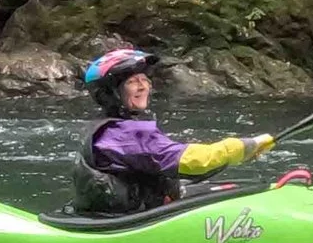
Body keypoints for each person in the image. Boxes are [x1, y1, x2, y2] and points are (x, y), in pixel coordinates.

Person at [71, 47, 273, 216]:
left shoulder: (108, 127)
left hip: (128, 212)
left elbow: (168, 168)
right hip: (131, 222)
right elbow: (190, 161)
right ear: (109, 94)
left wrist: (234, 157)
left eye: (144, 80)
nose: (142, 87)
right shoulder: (123, 134)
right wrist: (243, 147)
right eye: (132, 82)